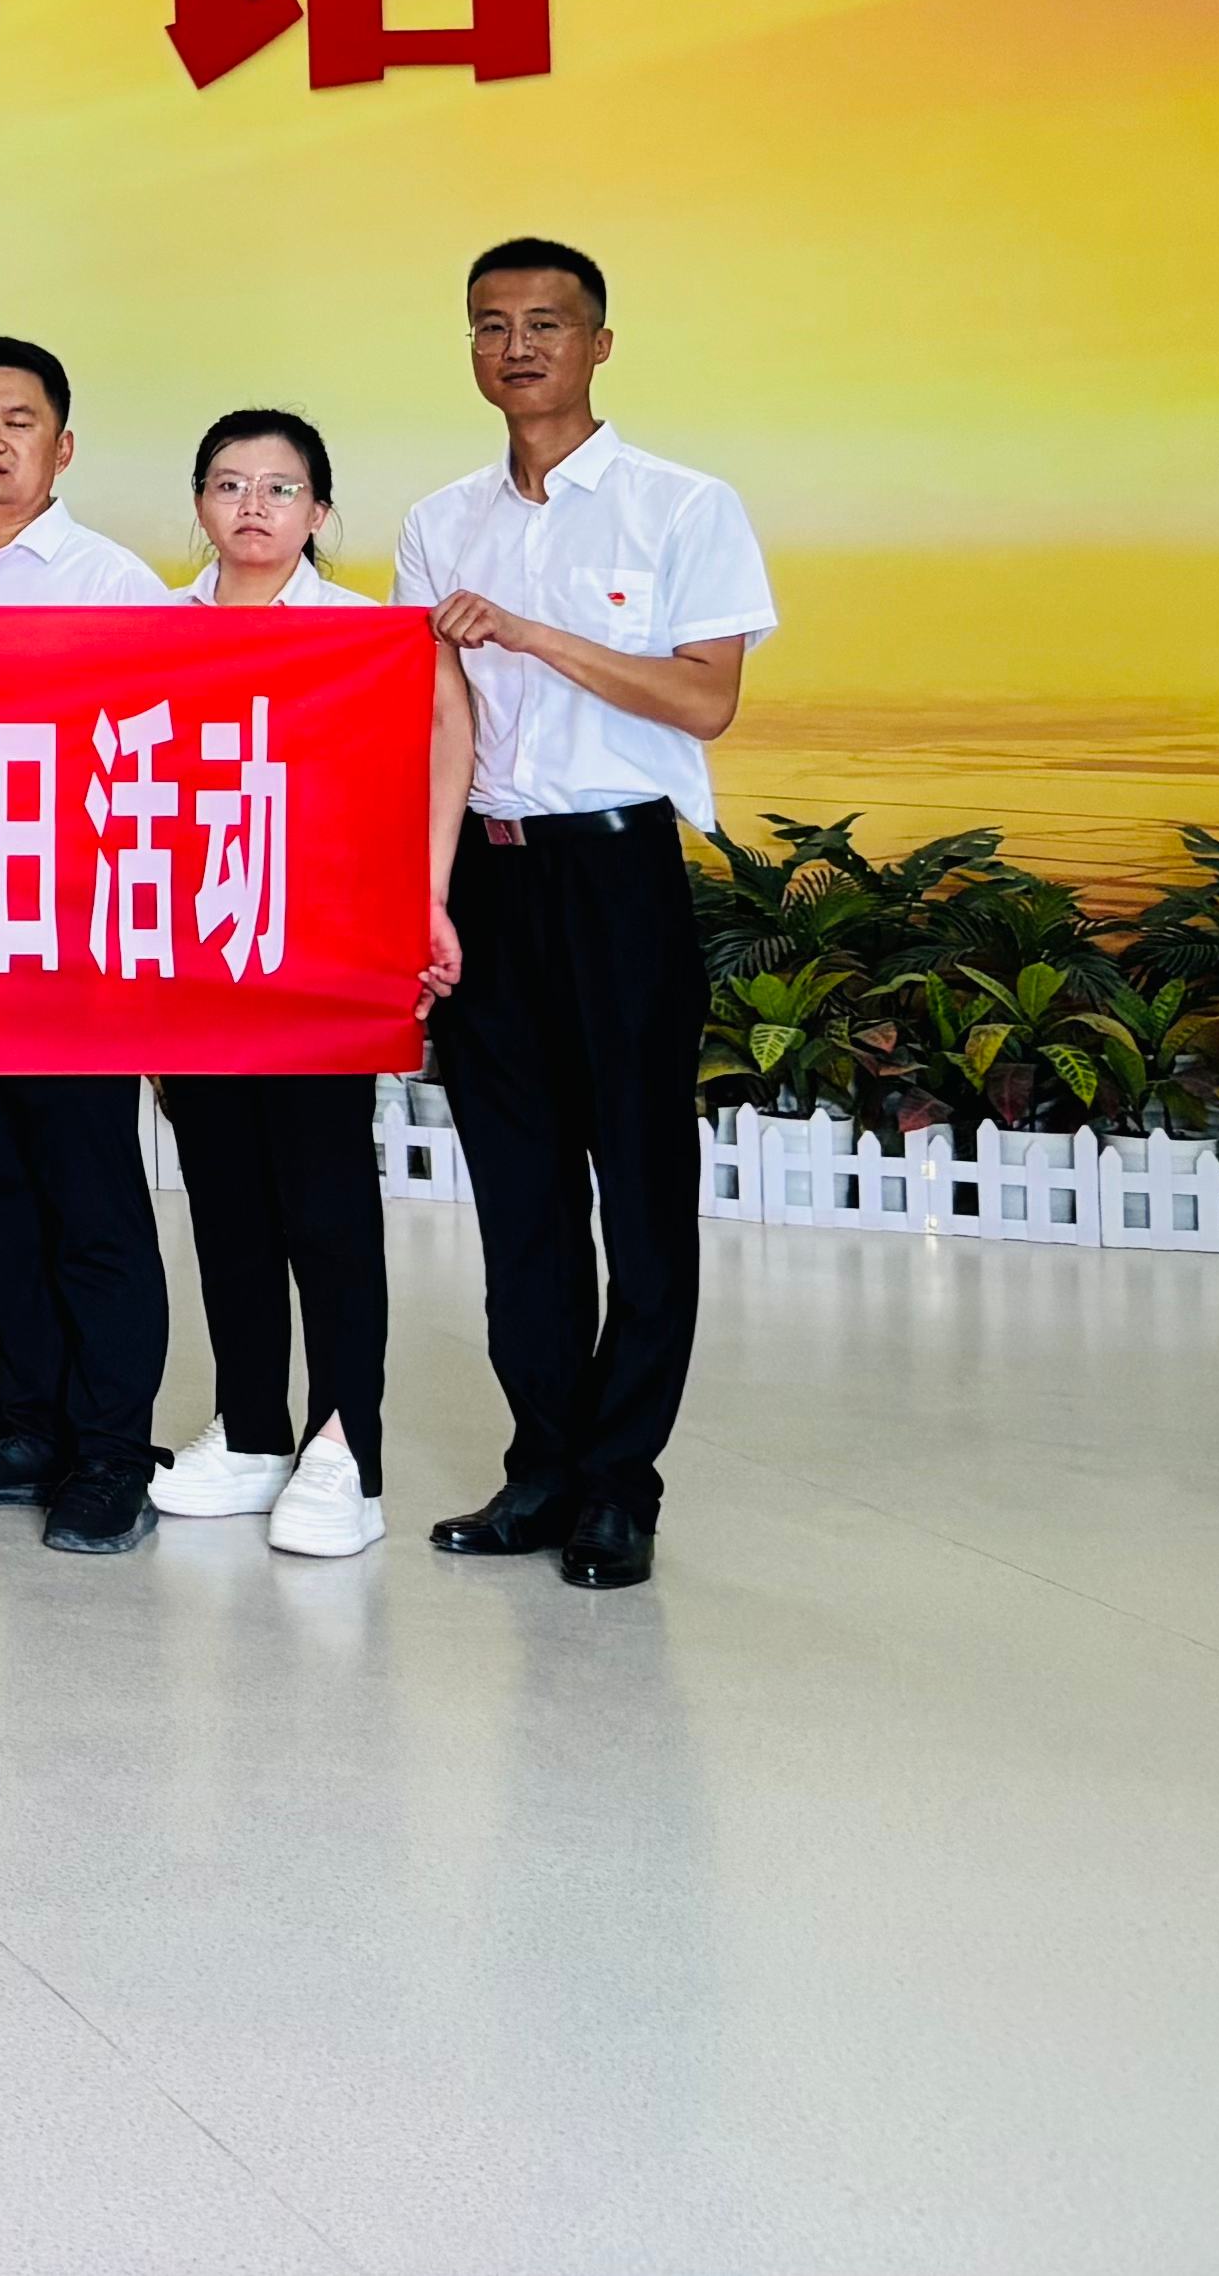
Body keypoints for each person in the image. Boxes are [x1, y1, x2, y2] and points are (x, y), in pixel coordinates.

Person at [397, 237, 773, 1596]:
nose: (517, 347)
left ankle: (621, 1486)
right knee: (520, 1194)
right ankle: (542, 1466)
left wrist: (537, 632)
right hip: (493, 882)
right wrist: (427, 893)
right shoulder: (439, 521)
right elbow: (438, 725)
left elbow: (705, 699)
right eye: (490, 324)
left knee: (643, 1188)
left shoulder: (683, 506)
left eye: (545, 324)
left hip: (619, 875)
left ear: (599, 343)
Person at [0, 337, 180, 1558]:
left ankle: (112, 1451)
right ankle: (31, 1426)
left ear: (63, 450)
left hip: (72, 946)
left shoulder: (113, 584)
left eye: (19, 421)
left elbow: (162, 763)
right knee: (1, 1198)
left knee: (91, 1202)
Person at [148, 409, 395, 1563]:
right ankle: (251, 1431)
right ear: (201, 504)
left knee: (326, 1211)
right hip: (196, 956)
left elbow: (408, 784)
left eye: (281, 488)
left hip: (320, 963)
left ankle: (348, 1449)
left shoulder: (365, 636)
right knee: (228, 1204)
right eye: (230, 484)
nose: (254, 506)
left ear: (320, 512)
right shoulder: (153, 632)